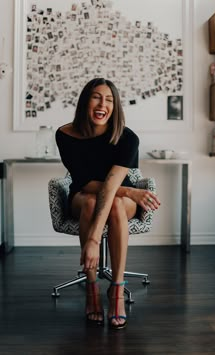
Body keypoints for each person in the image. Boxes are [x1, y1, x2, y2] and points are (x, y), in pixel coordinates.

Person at [56, 78, 160, 330]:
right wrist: (133, 193)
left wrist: (93, 239)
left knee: (112, 203)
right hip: (85, 196)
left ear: (115, 107)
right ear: (85, 102)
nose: (103, 104)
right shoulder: (65, 135)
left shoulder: (126, 138)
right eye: (96, 97)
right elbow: (84, 182)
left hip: (121, 202)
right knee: (91, 202)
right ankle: (92, 290)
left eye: (110, 100)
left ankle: (116, 291)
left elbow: (111, 185)